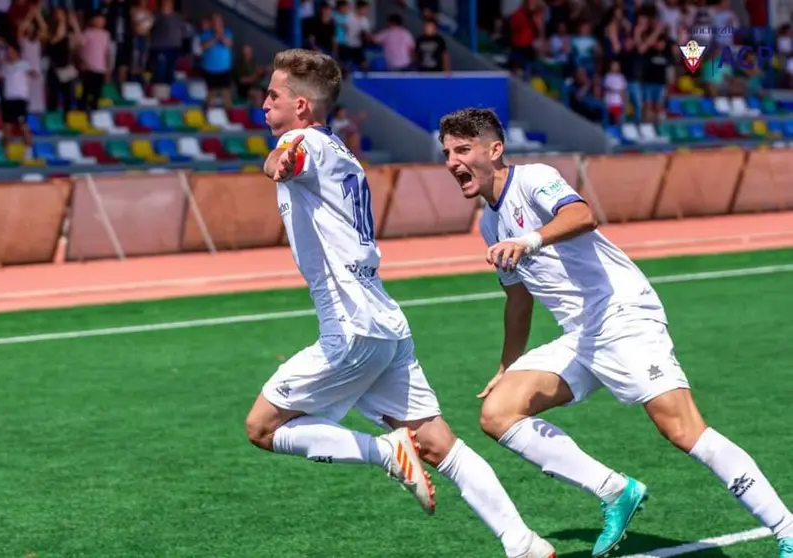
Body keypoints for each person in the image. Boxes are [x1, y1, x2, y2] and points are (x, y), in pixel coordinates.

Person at [436, 106, 793, 558]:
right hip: (581, 334)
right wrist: (506, 365)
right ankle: (614, 490)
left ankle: (786, 527)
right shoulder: (489, 222)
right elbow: (519, 300)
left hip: (623, 315)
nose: (452, 162)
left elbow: (582, 215)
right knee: (499, 412)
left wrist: (529, 240)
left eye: (463, 149)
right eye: (447, 152)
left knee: (683, 430)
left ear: (495, 149)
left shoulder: (532, 179)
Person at [243, 49, 556, 558]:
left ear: (301, 106)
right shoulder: (342, 153)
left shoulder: (301, 141)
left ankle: (385, 452)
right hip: (384, 324)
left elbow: (290, 158)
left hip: (349, 328)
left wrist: (277, 157)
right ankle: (522, 542)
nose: (263, 104)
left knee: (262, 427)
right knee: (440, 446)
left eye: (273, 95)